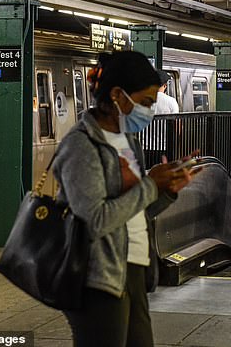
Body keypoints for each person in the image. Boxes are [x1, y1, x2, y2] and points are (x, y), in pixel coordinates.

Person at [52, 51, 199, 347]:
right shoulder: (82, 147)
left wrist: (167, 190)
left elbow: (133, 209)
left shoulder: (127, 140)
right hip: (97, 275)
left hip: (131, 268)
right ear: (118, 95)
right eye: (144, 102)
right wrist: (150, 184)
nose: (149, 111)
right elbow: (95, 220)